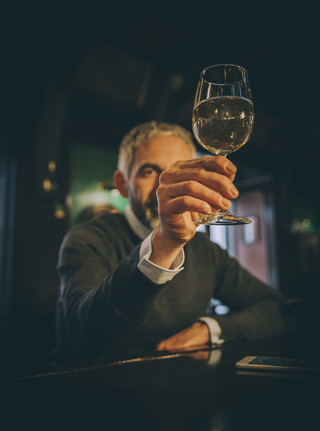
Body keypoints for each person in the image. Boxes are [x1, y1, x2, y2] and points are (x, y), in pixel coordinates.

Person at [53, 121, 297, 363]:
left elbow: (278, 312)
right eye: (149, 172)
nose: (166, 185)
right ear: (122, 184)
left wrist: (210, 329)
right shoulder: (88, 239)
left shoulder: (206, 251)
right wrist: (164, 244)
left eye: (178, 172)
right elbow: (81, 339)